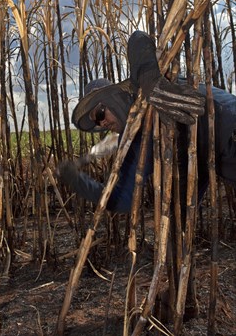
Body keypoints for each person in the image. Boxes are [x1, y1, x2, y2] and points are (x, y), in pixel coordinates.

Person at [58, 31, 236, 214]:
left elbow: (138, 39)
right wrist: (76, 180)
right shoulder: (133, 143)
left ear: (113, 99)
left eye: (100, 113)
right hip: (221, 160)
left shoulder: (148, 85)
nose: (101, 123)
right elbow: (122, 200)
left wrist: (150, 79)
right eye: (96, 122)